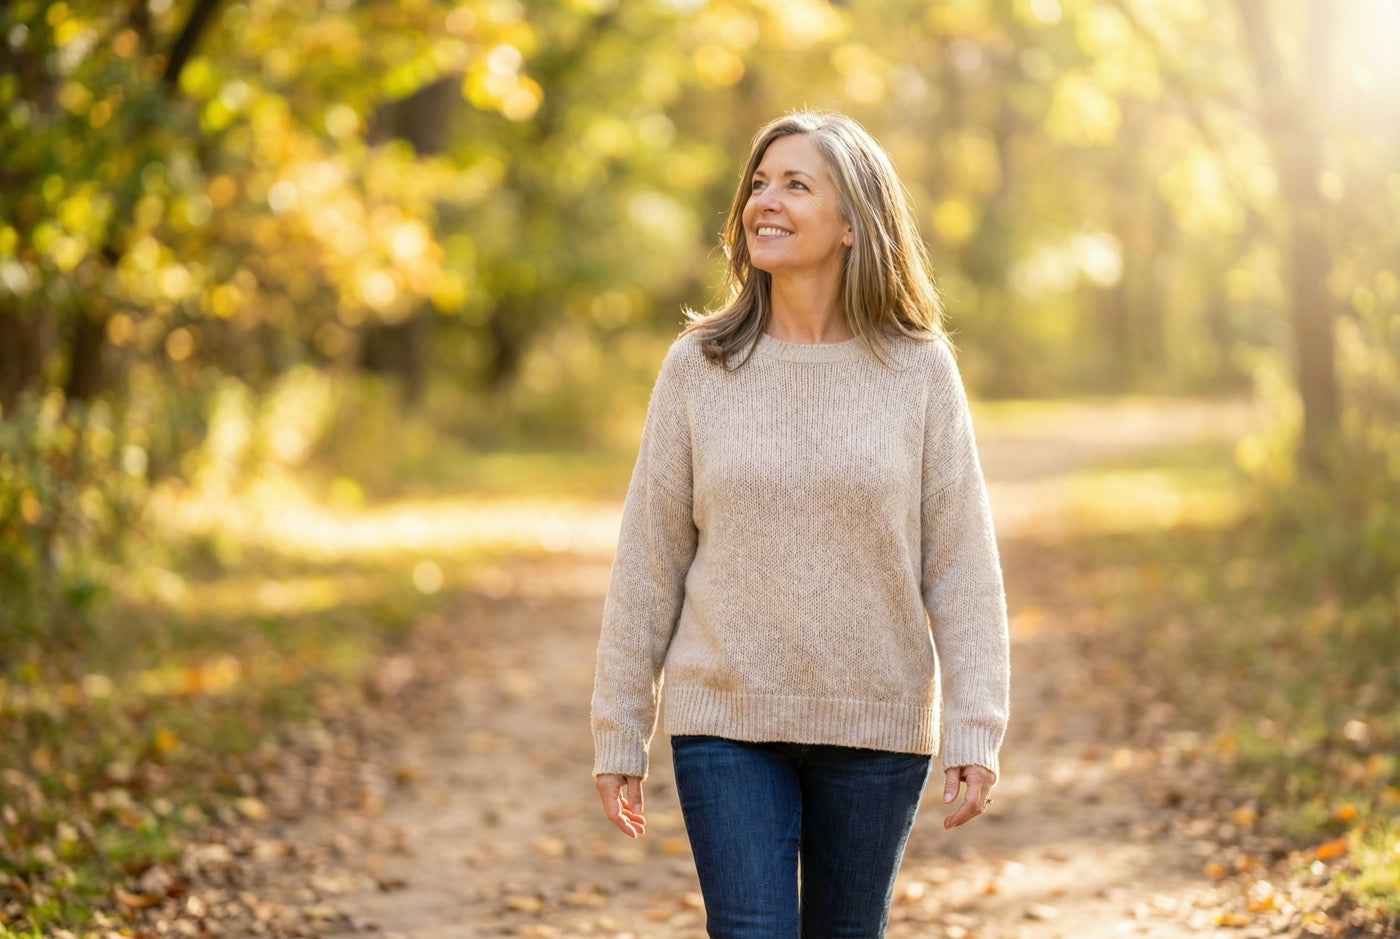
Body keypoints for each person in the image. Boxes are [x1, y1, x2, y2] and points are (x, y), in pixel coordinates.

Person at [590, 109, 1010, 938]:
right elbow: (649, 559)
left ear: (854, 222)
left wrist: (976, 722)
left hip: (876, 720)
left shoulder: (918, 368)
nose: (763, 201)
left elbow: (960, 560)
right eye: (758, 182)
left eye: (795, 183)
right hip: (726, 719)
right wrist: (619, 728)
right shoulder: (699, 366)